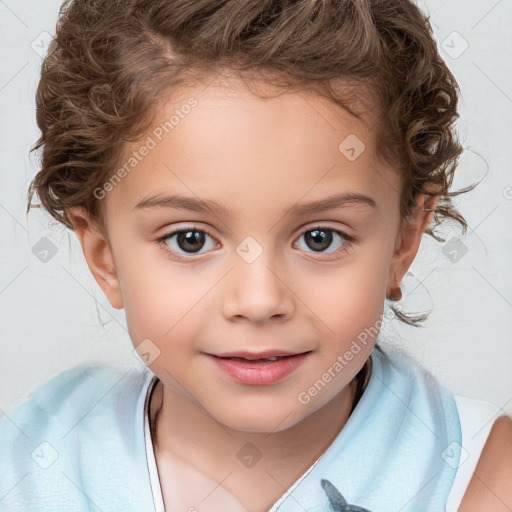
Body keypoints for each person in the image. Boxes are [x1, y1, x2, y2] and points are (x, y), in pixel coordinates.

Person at [1, 0, 511, 510]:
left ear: (404, 240)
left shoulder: (480, 478)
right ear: (103, 254)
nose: (259, 300)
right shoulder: (30, 467)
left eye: (320, 238)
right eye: (190, 240)